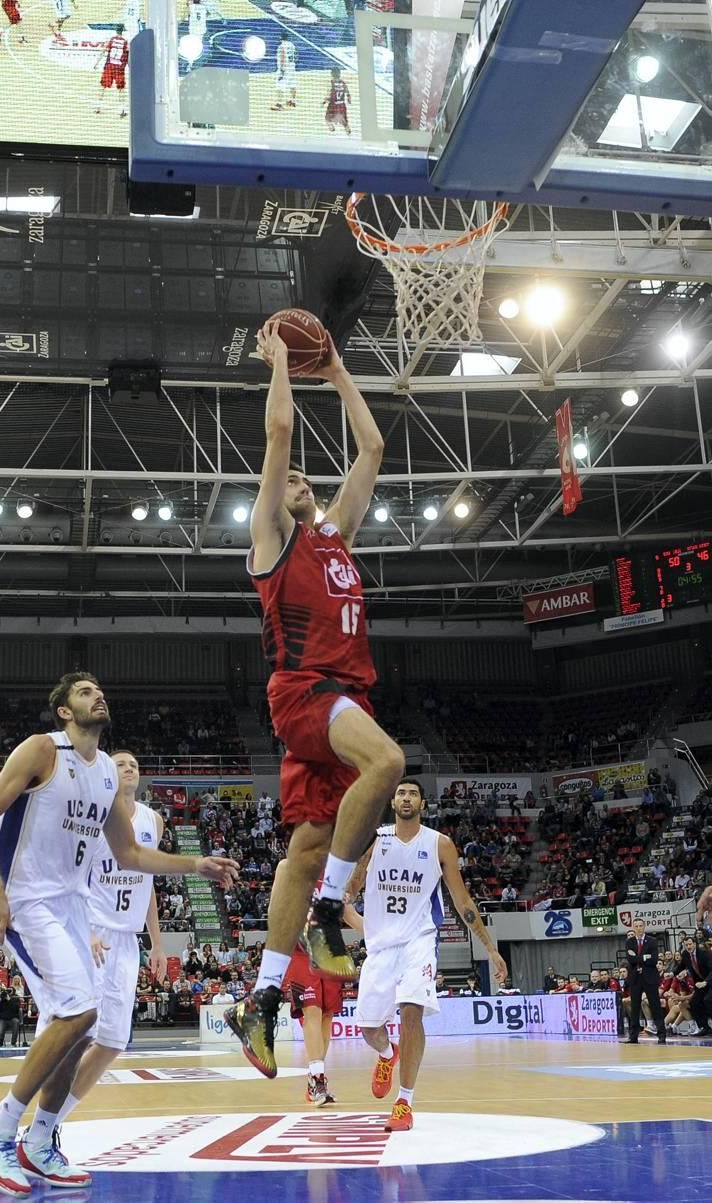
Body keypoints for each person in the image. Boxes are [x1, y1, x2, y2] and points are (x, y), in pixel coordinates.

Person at [0, 672, 238, 1197]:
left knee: (85, 1030)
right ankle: (0, 1130)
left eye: (99, 690)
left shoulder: (107, 773)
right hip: (26, 900)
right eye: (85, 692)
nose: (98, 695)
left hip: (70, 904)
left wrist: (195, 863)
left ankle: (40, 1140)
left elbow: (130, 854)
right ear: (65, 710)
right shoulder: (42, 750)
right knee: (79, 1010)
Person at [224, 320, 404, 1078]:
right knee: (390, 761)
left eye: (302, 480)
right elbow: (277, 431)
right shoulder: (271, 538)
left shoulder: (335, 536)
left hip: (338, 701)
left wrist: (335, 370)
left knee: (301, 851)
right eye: (288, 478)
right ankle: (332, 908)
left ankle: (260, 999)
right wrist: (280, 366)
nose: (295, 481)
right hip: (307, 692)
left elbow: (371, 451)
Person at [348, 778, 507, 1132]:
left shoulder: (440, 844)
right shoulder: (377, 839)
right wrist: (336, 904)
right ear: (393, 802)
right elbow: (353, 885)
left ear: (422, 803)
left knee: (411, 1013)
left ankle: (404, 1101)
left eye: (413, 794)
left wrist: (491, 948)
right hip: (379, 946)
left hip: (418, 941)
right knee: (369, 1029)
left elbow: (463, 903)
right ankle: (388, 1054)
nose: (406, 797)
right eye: (401, 792)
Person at [32, 748, 168, 1130]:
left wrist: (156, 943)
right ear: (109, 773)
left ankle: (51, 1123)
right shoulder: (92, 819)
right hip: (90, 934)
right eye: (121, 764)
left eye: (134, 765)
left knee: (112, 1042)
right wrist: (85, 930)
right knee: (74, 1033)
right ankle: (26, 1118)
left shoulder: (153, 822)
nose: (129, 769)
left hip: (127, 941)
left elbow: (149, 883)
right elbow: (71, 877)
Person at [274, 859, 361, 1105]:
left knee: (326, 1016)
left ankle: (316, 1080)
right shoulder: (287, 866)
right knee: (311, 1012)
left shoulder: (337, 873)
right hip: (302, 950)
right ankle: (317, 1077)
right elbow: (275, 910)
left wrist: (383, 932)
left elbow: (349, 915)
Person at [625, 919, 666, 1044]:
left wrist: (637, 957)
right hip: (635, 978)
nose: (638, 928)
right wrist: (644, 956)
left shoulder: (652, 941)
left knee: (655, 1006)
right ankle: (633, 1037)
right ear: (633, 927)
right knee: (635, 1008)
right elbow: (630, 960)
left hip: (650, 978)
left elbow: (653, 960)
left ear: (644, 927)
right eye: (636, 926)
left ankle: (661, 1035)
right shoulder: (630, 941)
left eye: (640, 926)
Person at [677, 935, 712, 1036]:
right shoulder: (685, 955)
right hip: (700, 983)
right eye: (686, 945)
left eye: (690, 944)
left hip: (709, 981)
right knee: (694, 1003)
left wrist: (705, 982)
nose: (688, 947)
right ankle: (704, 1027)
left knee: (708, 1000)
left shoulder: (704, 954)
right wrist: (672, 974)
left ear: (694, 944)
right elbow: (680, 967)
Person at [94, 26, 129, 118]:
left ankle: (98, 106)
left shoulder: (112, 40)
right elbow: (128, 57)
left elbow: (103, 51)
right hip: (119, 68)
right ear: (122, 31)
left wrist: (97, 62)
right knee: (121, 89)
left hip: (110, 66)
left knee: (102, 86)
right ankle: (122, 109)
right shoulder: (125, 42)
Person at [272, 35, 297, 111]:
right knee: (292, 84)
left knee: (280, 85)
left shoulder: (281, 46)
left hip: (285, 68)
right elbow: (296, 56)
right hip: (292, 67)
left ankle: (279, 104)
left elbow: (282, 57)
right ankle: (293, 101)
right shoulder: (292, 45)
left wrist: (282, 70)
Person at [324, 68, 351, 134]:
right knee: (344, 121)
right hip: (342, 105)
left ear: (332, 74)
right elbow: (348, 93)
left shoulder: (331, 83)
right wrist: (349, 99)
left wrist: (324, 101)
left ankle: (332, 129)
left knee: (327, 119)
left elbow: (329, 95)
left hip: (333, 104)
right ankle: (348, 131)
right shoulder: (343, 83)